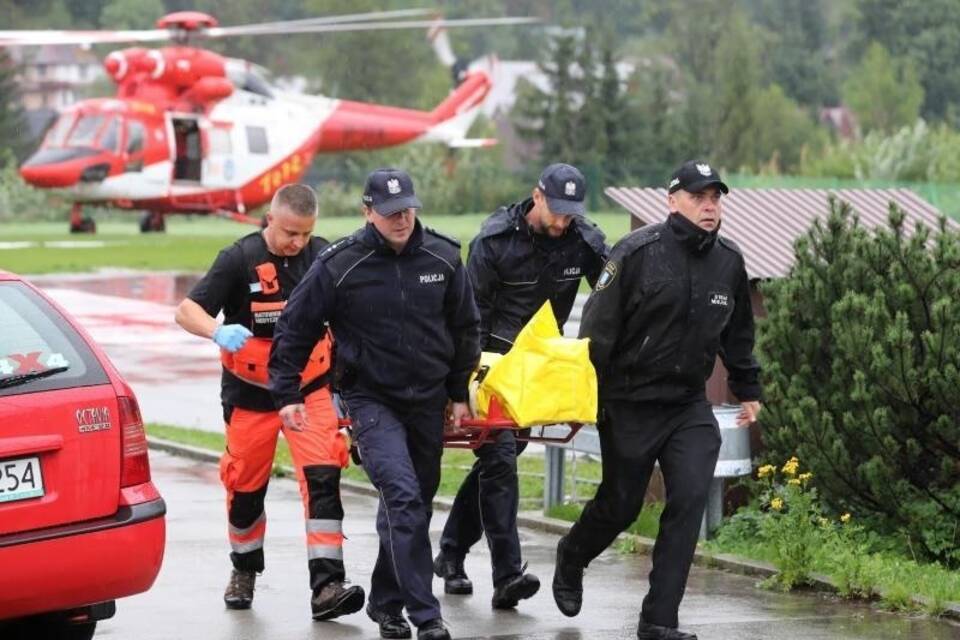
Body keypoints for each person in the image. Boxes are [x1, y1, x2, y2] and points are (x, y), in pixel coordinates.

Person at [552, 161, 763, 640]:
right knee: (622, 504)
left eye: (715, 198)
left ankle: (659, 620)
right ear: (673, 201)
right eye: (697, 197)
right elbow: (598, 331)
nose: (709, 207)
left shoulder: (729, 260)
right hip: (629, 400)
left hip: (687, 404)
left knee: (688, 499)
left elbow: (738, 333)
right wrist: (590, 397)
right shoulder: (636, 253)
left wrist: (748, 388)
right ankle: (574, 554)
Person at [269, 168, 480, 640]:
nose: (401, 219)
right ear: (368, 213)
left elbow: (466, 327)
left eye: (406, 209)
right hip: (370, 399)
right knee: (403, 498)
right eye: (389, 213)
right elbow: (294, 327)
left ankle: (385, 604)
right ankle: (427, 617)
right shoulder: (340, 264)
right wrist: (286, 394)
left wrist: (458, 392)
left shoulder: (443, 256)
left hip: (427, 400)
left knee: (414, 507)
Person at [174, 184, 365, 621]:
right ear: (269, 219)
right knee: (244, 488)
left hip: (308, 390)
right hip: (251, 396)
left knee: (322, 478)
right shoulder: (237, 259)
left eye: (304, 234)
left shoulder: (324, 257)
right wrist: (216, 331)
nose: (296, 243)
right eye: (289, 233)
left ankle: (327, 585)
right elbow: (187, 310)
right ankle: (244, 569)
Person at [434, 163, 608, 608]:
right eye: (557, 210)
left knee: (499, 463)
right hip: (492, 368)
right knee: (499, 461)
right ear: (537, 196)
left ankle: (451, 553)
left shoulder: (583, 241)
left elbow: (612, 291)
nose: (564, 221)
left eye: (572, 213)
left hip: (539, 373)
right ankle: (508, 575)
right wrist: (464, 382)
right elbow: (469, 317)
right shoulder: (495, 241)